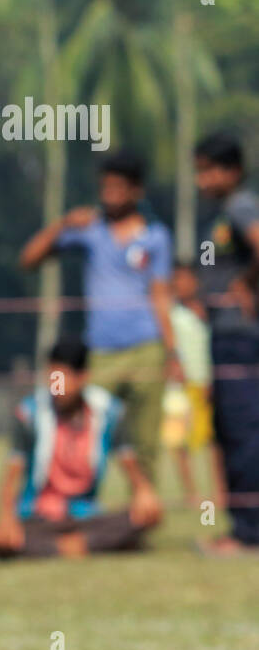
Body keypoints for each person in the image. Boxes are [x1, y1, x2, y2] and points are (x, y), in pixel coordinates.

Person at [19, 151, 180, 485]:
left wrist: (172, 350)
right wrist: (63, 223)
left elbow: (161, 295)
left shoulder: (156, 236)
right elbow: (29, 259)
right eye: (105, 187)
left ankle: (142, 512)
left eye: (118, 187)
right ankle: (80, 503)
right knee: (89, 430)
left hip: (147, 346)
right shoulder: (90, 230)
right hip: (102, 351)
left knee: (145, 441)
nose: (110, 194)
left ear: (136, 191)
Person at [0, 339, 162, 559]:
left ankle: (56, 548)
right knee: (5, 537)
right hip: (38, 516)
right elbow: (13, 470)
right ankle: (79, 546)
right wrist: (6, 516)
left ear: (82, 377)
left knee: (142, 517)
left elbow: (128, 461)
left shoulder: (108, 411)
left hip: (86, 515)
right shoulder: (29, 413)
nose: (56, 387)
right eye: (52, 378)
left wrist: (144, 492)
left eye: (62, 379)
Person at [194, 130, 259, 555]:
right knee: (234, 431)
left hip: (240, 337)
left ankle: (247, 532)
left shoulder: (239, 205)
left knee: (242, 432)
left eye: (207, 170)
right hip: (227, 334)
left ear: (232, 171)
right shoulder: (223, 212)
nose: (201, 180)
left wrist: (244, 283)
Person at [160, 263, 217, 508]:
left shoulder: (209, 312)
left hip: (205, 383)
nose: (179, 284)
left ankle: (219, 493)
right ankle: (191, 494)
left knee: (211, 441)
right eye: (176, 279)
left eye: (184, 279)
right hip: (177, 386)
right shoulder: (169, 313)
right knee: (177, 442)